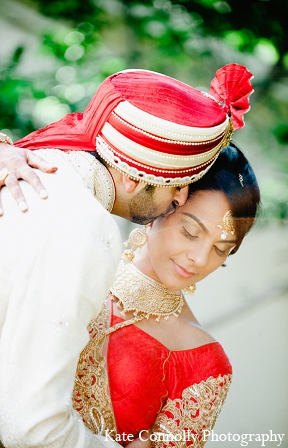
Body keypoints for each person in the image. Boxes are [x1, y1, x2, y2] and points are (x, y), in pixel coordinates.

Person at [0, 64, 253, 448]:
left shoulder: (23, 169)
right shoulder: (81, 226)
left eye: (221, 250)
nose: (176, 198)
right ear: (134, 176)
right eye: (177, 188)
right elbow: (33, 428)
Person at [71, 143, 260, 446]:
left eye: (220, 250)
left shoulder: (205, 364)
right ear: (165, 203)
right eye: (191, 232)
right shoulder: (75, 265)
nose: (199, 258)